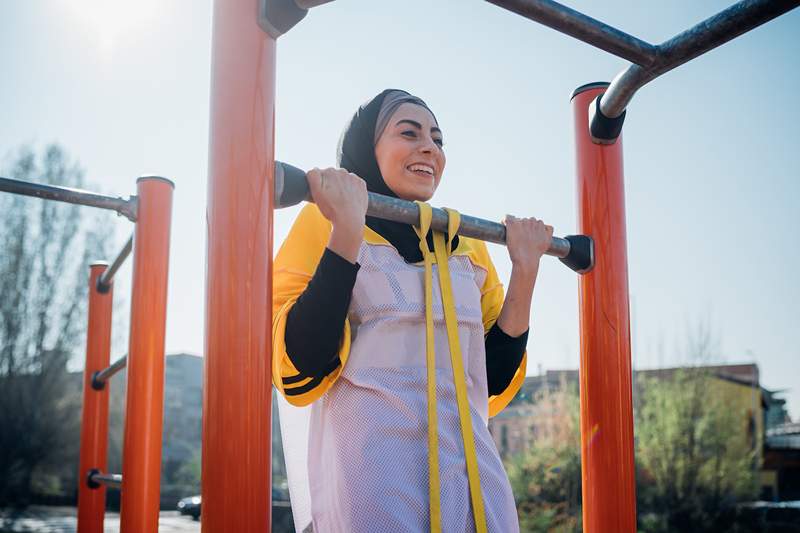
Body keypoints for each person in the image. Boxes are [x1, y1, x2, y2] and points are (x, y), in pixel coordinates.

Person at [272, 89, 553, 533]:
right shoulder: (323, 221)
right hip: (372, 481)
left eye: (438, 140)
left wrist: (526, 269)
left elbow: (491, 380)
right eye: (410, 132)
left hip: (472, 479)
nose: (430, 148)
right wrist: (346, 226)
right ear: (369, 148)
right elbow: (301, 360)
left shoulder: (465, 242)